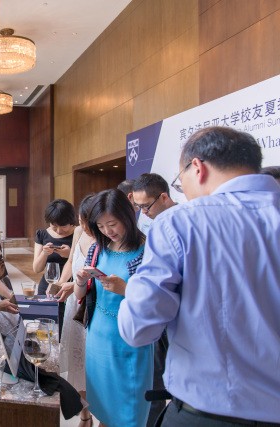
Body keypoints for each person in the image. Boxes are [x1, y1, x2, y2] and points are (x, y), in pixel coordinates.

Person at [118, 126, 280, 425]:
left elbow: (138, 327)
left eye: (181, 181)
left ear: (197, 167)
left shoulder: (181, 223)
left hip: (211, 412)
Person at [73, 189, 151, 427]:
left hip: (129, 338)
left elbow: (157, 301)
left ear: (127, 216)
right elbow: (80, 295)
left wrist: (125, 289)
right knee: (103, 408)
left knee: (130, 411)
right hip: (98, 335)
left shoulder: (147, 249)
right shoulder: (98, 248)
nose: (108, 231)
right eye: (101, 226)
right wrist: (79, 281)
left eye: (112, 224)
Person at [131, 173, 177, 426]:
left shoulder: (183, 224)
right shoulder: (152, 223)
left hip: (178, 316)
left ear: (164, 197)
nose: (143, 213)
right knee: (155, 380)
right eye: (138, 207)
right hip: (158, 315)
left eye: (146, 206)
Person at [55, 194, 96, 427]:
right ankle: (85, 415)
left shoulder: (106, 237)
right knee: (77, 364)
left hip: (92, 306)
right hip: (74, 303)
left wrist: (76, 286)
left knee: (92, 365)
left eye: (87, 222)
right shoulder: (79, 232)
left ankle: (101, 414)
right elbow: (71, 262)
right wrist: (62, 283)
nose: (83, 226)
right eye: (81, 221)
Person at [32, 199, 77, 337]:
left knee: (67, 330)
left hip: (71, 288)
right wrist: (44, 253)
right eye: (54, 226)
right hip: (47, 287)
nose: (59, 230)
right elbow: (36, 268)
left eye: (63, 226)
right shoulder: (42, 234)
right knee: (44, 330)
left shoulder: (79, 233)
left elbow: (85, 261)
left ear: (71, 221)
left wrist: (70, 254)